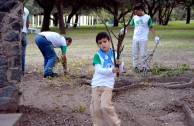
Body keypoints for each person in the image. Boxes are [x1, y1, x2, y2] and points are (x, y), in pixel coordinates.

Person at [90, 32, 124, 126]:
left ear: (109, 41)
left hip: (107, 85)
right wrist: (111, 70)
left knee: (105, 106)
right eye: (100, 43)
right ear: (98, 44)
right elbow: (99, 69)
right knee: (96, 108)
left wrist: (120, 64)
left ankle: (115, 124)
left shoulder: (116, 54)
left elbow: (119, 71)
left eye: (105, 41)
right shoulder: (97, 55)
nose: (103, 44)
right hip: (96, 84)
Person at [121, 3, 160, 74]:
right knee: (135, 54)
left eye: (136, 12)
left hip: (143, 39)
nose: (135, 13)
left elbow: (151, 27)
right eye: (134, 12)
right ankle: (135, 67)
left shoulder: (147, 18)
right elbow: (130, 24)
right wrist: (124, 29)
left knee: (143, 54)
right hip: (135, 38)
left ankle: (144, 67)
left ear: (141, 10)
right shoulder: (134, 17)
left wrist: (155, 37)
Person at [21, 7, 30, 75]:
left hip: (18, 33)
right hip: (24, 33)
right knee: (23, 54)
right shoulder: (26, 10)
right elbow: (27, 23)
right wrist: (25, 29)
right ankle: (22, 71)